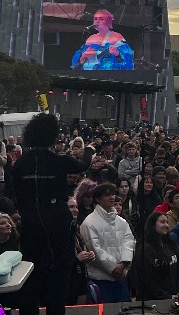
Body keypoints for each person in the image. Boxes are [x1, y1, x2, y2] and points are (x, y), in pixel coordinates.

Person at [13, 114, 83, 315]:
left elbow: (16, 192)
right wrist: (88, 150)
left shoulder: (21, 163)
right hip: (58, 222)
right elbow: (81, 165)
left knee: (30, 274)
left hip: (31, 221)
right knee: (59, 275)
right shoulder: (59, 161)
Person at [80, 183, 136, 303]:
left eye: (113, 194)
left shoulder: (121, 221)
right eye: (107, 195)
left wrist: (124, 263)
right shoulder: (89, 223)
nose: (112, 197)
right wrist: (114, 268)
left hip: (121, 280)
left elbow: (129, 241)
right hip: (101, 280)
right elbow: (94, 251)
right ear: (98, 199)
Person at [128, 212, 179, 300]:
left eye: (167, 222)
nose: (166, 225)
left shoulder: (171, 245)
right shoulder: (144, 249)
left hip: (174, 297)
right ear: (152, 224)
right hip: (152, 300)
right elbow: (148, 279)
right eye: (162, 222)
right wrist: (166, 296)